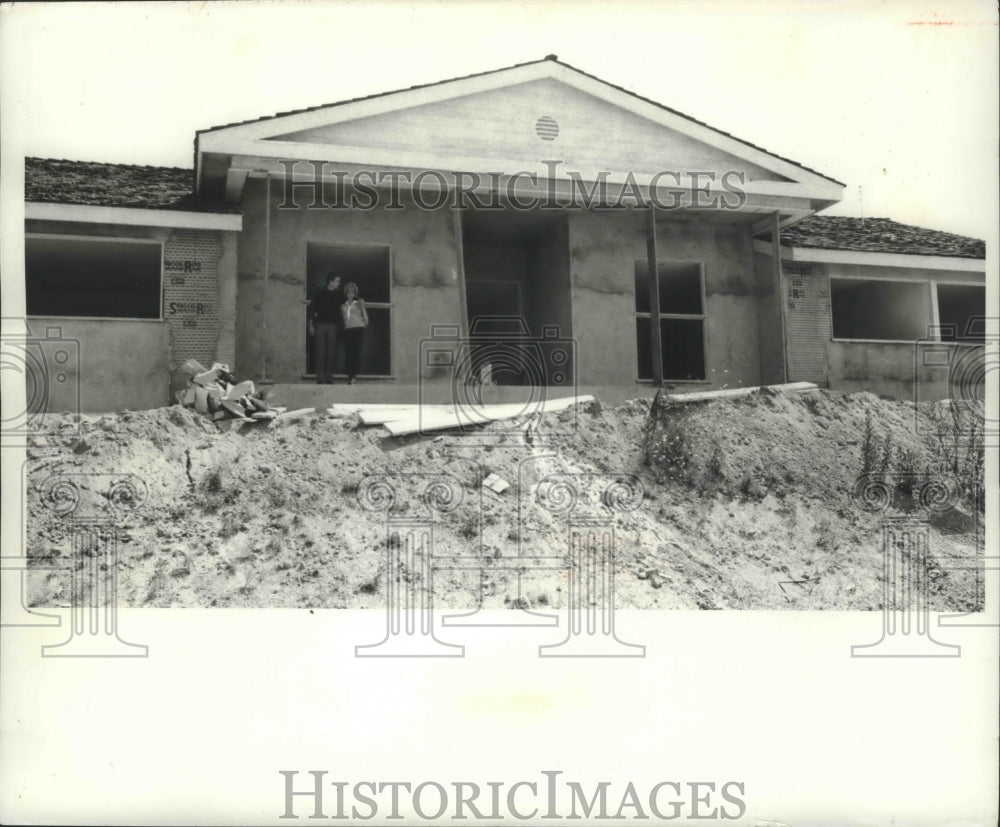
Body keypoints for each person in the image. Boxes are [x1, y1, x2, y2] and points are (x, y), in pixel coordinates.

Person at [309, 274, 346, 383]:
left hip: (333, 326)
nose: (339, 284)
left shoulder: (339, 294)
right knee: (320, 352)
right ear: (331, 281)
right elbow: (312, 308)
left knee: (331, 352)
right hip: (320, 325)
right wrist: (310, 325)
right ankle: (320, 378)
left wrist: (359, 300)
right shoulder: (319, 292)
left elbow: (349, 300)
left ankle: (329, 377)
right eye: (337, 281)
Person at [340, 281, 369, 384]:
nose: (350, 294)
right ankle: (349, 374)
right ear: (346, 293)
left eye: (352, 292)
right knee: (349, 352)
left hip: (358, 329)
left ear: (355, 293)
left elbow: (365, 317)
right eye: (348, 292)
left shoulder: (359, 303)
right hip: (348, 330)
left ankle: (353, 376)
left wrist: (364, 323)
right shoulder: (343, 305)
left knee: (356, 352)